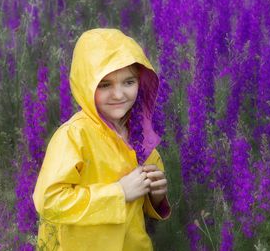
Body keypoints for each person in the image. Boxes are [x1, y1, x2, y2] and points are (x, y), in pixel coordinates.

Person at [33, 28, 171, 250]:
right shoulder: (74, 136)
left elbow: (140, 204)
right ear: (86, 85)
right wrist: (118, 193)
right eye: (105, 85)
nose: (118, 94)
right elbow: (49, 201)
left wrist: (156, 196)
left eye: (129, 82)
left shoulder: (141, 137)